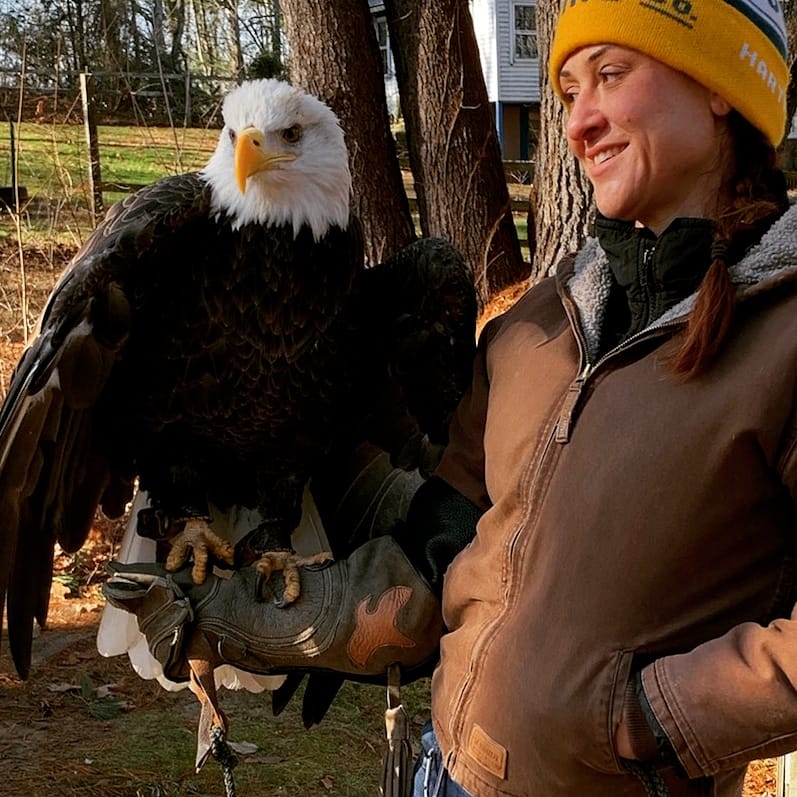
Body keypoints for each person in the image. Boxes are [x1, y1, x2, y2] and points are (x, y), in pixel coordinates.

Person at [110, 0, 797, 794]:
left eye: (610, 76)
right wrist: (273, 619)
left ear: (721, 88)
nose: (580, 123)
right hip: (448, 770)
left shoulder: (779, 330)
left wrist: (656, 714)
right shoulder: (539, 326)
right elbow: (445, 555)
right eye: (569, 93)